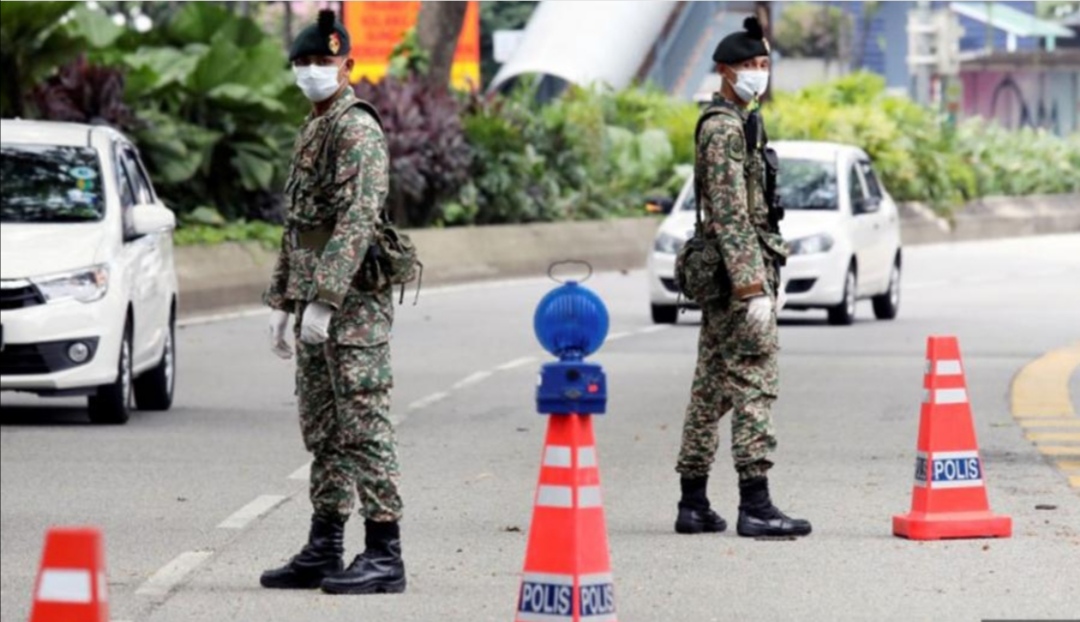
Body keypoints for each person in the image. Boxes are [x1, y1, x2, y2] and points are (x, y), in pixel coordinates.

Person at [259, 10, 406, 594]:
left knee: (364, 426)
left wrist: (323, 300)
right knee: (323, 430)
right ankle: (325, 547)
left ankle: (385, 553)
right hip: (313, 298)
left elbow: (356, 220)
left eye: (324, 62)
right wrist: (281, 299)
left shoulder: (355, 128)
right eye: (304, 63)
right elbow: (300, 226)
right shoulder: (314, 126)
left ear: (348, 65)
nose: (313, 72)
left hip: (354, 306)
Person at [674, 17, 812, 539]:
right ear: (725, 71)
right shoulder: (725, 129)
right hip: (738, 281)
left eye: (764, 64)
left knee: (710, 389)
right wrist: (754, 289)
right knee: (755, 383)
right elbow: (730, 215)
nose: (759, 73)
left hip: (732, 275)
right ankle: (755, 505)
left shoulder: (739, 120)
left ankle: (693, 503)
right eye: (749, 66)